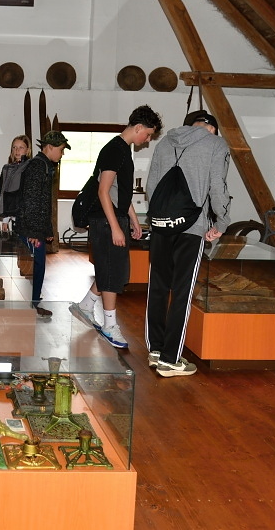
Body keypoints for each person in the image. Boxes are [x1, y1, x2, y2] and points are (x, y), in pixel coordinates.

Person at [145, 110, 231, 377]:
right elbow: (217, 186)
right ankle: (171, 360)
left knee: (158, 287)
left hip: (161, 225)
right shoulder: (215, 144)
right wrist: (222, 222)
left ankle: (156, 350)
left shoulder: (164, 142)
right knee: (182, 292)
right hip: (192, 227)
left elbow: (151, 187)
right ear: (211, 128)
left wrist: (159, 218)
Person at [71, 105, 162, 349]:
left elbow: (120, 194)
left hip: (113, 218)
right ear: (138, 127)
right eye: (148, 134)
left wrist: (133, 221)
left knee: (112, 269)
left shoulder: (122, 149)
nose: (148, 139)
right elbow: (103, 191)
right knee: (112, 274)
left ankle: (86, 305)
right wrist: (115, 227)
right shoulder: (114, 150)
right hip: (105, 220)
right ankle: (110, 325)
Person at [15, 131, 70, 318]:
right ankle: (31, 306)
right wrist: (33, 232)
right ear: (50, 147)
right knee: (34, 268)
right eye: (61, 149)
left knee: (38, 267)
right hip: (30, 229)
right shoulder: (38, 167)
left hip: (35, 228)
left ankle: (33, 304)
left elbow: (44, 203)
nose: (62, 154)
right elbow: (31, 202)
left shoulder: (44, 165)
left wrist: (47, 230)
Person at [0, 135, 31, 231]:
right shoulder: (7, 169)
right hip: (14, 218)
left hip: (26, 219)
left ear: (27, 150)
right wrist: (5, 220)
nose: (17, 150)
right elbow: (5, 194)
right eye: (14, 147)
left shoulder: (30, 167)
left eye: (21, 147)